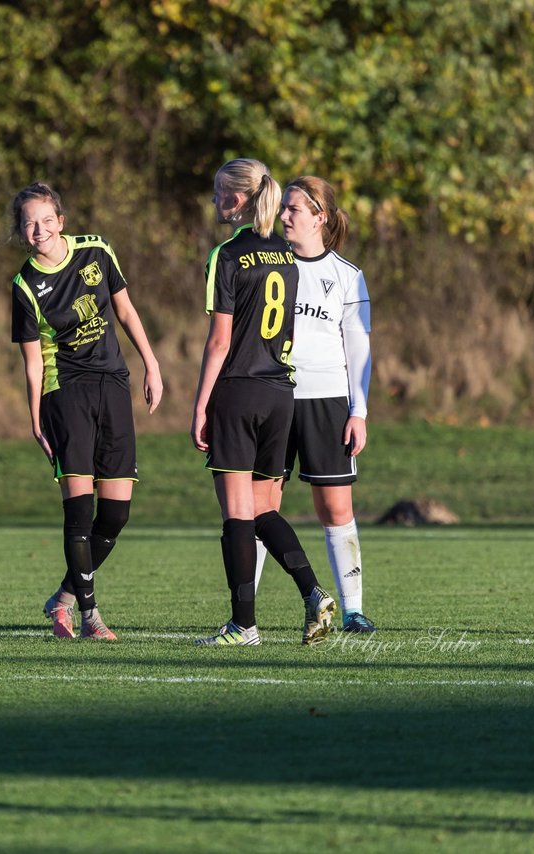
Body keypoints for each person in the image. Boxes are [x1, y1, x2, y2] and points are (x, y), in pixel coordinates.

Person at [190, 158, 336, 646]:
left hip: (238, 391)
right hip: (281, 395)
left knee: (236, 515)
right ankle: (313, 593)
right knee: (262, 511)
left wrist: (200, 405)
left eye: (218, 193)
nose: (214, 201)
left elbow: (219, 342)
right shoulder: (287, 253)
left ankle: (243, 626)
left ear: (238, 198)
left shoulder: (227, 255)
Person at [9, 182, 163, 640]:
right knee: (79, 510)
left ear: (61, 219)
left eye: (45, 219)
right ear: (21, 230)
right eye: (28, 223)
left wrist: (151, 365)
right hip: (65, 392)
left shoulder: (96, 251)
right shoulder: (23, 286)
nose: (39, 230)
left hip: (113, 385)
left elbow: (126, 311)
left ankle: (65, 597)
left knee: (116, 514)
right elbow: (34, 361)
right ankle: (90, 615)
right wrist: (35, 416)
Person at [251, 176, 376, 633]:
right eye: (283, 208)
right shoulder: (267, 265)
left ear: (320, 217)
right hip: (273, 395)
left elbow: (358, 350)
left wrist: (358, 412)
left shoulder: (346, 275)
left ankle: (353, 610)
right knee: (259, 506)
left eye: (294, 209)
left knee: (335, 510)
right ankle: (245, 614)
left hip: (326, 402)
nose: (283, 216)